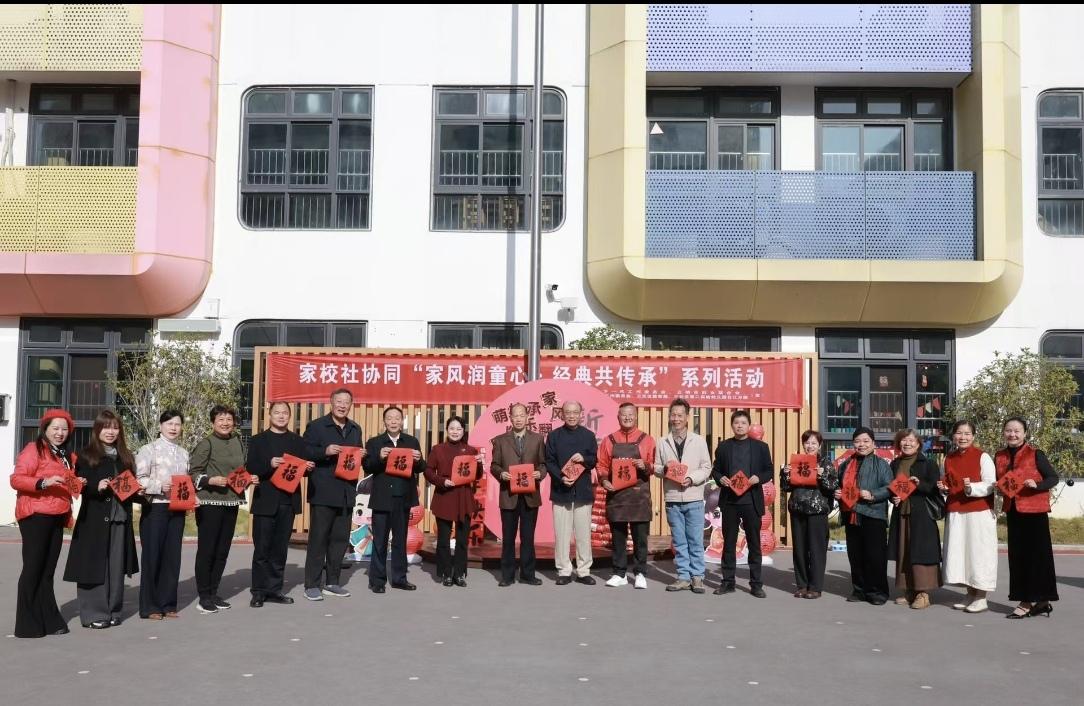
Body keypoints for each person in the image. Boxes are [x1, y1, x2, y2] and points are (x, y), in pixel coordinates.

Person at [63, 410, 140, 628]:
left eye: (115, 427)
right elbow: (78, 486)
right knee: (93, 566)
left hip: (120, 518)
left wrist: (140, 493)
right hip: (94, 519)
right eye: (106, 427)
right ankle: (95, 614)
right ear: (97, 430)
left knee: (116, 566)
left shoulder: (126, 456)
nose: (111, 432)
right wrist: (95, 487)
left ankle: (114, 609)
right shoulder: (85, 455)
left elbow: (129, 488)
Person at [10, 409, 77, 638]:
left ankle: (49, 619)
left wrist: (78, 481)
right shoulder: (34, 449)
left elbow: (70, 482)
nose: (60, 433)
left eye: (64, 429)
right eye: (55, 428)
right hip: (35, 514)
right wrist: (43, 482)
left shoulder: (67, 455)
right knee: (33, 568)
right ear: (45, 429)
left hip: (58, 514)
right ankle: (27, 624)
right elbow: (16, 479)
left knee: (48, 571)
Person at [246, 401, 314, 608]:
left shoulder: (298, 441)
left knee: (279, 550)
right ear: (270, 415)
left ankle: (274, 590)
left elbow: (303, 468)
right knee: (262, 550)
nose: (281, 416)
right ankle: (258, 592)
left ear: (290, 416)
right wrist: (270, 464)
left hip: (288, 501)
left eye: (285, 413)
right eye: (277, 412)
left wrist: (309, 467)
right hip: (265, 501)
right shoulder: (258, 440)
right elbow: (251, 467)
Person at [302, 388, 365, 601]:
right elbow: (305, 452)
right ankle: (312, 584)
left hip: (347, 492)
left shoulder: (355, 428)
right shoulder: (317, 426)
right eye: (339, 401)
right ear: (331, 402)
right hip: (323, 491)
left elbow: (356, 457)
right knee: (318, 539)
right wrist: (325, 451)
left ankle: (332, 582)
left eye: (346, 402)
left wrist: (363, 454)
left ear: (351, 405)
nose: (342, 405)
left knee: (339, 540)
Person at [997, 417, 1059, 619]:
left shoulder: (1035, 454)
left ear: (1025, 433)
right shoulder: (999, 456)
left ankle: (1028, 602)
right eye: (1009, 430)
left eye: (1017, 431)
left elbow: (1053, 478)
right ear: (1004, 432)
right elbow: (1001, 481)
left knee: (1039, 558)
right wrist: (998, 486)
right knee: (1018, 558)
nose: (1012, 434)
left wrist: (1037, 485)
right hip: (1013, 511)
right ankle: (1040, 602)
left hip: (1035, 512)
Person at [189, 405, 247, 614]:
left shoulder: (238, 442)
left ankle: (214, 592)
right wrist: (210, 480)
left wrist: (249, 478)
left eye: (229, 419)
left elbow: (241, 469)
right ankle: (204, 596)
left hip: (231, 501)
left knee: (222, 551)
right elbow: (193, 473)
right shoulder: (206, 443)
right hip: (210, 503)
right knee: (208, 550)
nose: (225, 423)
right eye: (220, 419)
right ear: (213, 422)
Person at [711, 410, 774, 598]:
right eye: (736, 422)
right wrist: (720, 478)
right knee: (729, 543)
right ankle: (727, 582)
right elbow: (716, 470)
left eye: (743, 422)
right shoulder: (724, 447)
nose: (739, 425)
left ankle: (756, 584)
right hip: (730, 501)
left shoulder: (761, 447)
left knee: (754, 543)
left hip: (751, 501)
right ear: (732, 425)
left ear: (749, 425)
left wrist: (758, 478)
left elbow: (769, 470)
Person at [363, 405, 425, 593]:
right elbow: (367, 466)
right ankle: (377, 580)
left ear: (402, 421)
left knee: (400, 540)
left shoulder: (411, 441)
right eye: (389, 418)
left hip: (403, 498)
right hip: (382, 498)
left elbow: (421, 468)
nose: (393, 421)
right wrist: (379, 457)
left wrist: (419, 459)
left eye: (397, 418)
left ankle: (399, 578)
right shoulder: (375, 442)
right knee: (380, 540)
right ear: (384, 421)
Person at [654, 398, 712, 594]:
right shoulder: (662, 441)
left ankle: (698, 577)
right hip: (672, 498)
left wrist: (691, 478)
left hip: (693, 497)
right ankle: (683, 577)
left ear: (687, 417)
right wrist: (665, 469)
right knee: (679, 541)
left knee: (695, 540)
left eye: (680, 415)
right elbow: (656, 467)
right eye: (673, 415)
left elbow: (706, 467)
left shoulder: (699, 441)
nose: (676, 419)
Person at [135, 410, 189, 620]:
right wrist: (159, 485)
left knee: (172, 557)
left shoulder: (184, 453)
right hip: (155, 508)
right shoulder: (148, 450)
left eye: (177, 424)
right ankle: (150, 606)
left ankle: (168, 603)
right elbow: (139, 479)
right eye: (169, 424)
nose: (173, 428)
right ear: (160, 426)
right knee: (152, 556)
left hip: (177, 508)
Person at [939, 420, 997, 613]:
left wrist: (971, 488)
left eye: (967, 433)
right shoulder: (949, 457)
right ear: (953, 435)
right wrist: (943, 487)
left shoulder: (982, 456)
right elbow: (947, 482)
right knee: (962, 554)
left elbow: (990, 484)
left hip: (978, 512)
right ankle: (970, 594)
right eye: (959, 433)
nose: (962, 437)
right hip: (956, 511)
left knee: (979, 554)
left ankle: (981, 597)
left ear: (973, 436)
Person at [597, 402, 656, 589]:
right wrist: (604, 480)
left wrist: (645, 466)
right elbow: (602, 465)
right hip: (617, 495)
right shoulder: (609, 440)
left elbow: (654, 465)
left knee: (640, 538)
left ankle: (640, 573)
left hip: (639, 496)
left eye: (631, 414)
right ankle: (619, 573)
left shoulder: (647, 439)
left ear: (636, 416)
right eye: (624, 414)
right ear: (618, 417)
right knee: (618, 537)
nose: (627, 417)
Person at [834, 426, 893, 606]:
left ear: (873, 443)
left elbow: (890, 487)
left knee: (875, 556)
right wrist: (837, 493)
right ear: (853, 444)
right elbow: (838, 484)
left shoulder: (881, 464)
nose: (862, 444)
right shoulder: (845, 464)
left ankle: (877, 592)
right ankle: (859, 590)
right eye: (858, 441)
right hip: (851, 513)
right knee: (856, 555)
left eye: (866, 441)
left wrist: (873, 494)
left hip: (873, 513)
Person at [490, 403, 546, 587]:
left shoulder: (538, 439)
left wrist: (539, 473)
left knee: (528, 538)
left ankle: (528, 574)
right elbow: (494, 465)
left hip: (530, 496)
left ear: (527, 417)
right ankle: (507, 576)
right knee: (508, 538)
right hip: (509, 495)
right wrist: (501, 474)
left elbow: (543, 464)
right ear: (510, 418)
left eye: (522, 415)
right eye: (516, 416)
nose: (519, 419)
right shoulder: (500, 440)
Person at [887, 429, 943, 609]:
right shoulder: (895, 464)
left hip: (922, 515)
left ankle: (923, 593)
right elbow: (891, 488)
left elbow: (934, 488)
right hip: (902, 513)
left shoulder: (928, 463)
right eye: (904, 440)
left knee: (921, 552)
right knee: (904, 552)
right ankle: (908, 590)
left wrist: (919, 484)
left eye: (911, 440)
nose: (907, 443)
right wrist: (894, 498)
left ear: (918, 444)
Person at [424, 416, 483, 587]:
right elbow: (428, 471)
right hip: (444, 496)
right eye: (452, 428)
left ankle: (459, 573)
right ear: (447, 430)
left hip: (464, 497)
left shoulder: (470, 450)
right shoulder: (438, 449)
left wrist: (480, 464)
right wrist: (442, 481)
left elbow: (477, 475)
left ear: (463, 431)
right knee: (443, 540)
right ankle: (446, 573)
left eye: (458, 429)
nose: (455, 432)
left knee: (462, 540)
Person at [544, 400, 598, 586]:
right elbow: (549, 461)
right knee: (562, 535)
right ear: (562, 414)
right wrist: (561, 478)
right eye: (568, 412)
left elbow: (594, 460)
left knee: (584, 535)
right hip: (561, 491)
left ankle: (583, 571)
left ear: (581, 414)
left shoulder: (589, 436)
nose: (572, 416)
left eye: (575, 412)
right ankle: (564, 570)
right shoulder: (554, 436)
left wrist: (584, 458)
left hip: (583, 491)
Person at [779, 429, 838, 599]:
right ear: (803, 444)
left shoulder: (826, 463)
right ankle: (802, 585)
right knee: (800, 549)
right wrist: (785, 474)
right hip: (798, 510)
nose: (810, 446)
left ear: (820, 445)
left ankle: (815, 587)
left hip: (817, 512)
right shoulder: (798, 461)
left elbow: (833, 486)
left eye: (813, 443)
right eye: (807, 443)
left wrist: (822, 475)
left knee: (816, 549)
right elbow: (786, 488)